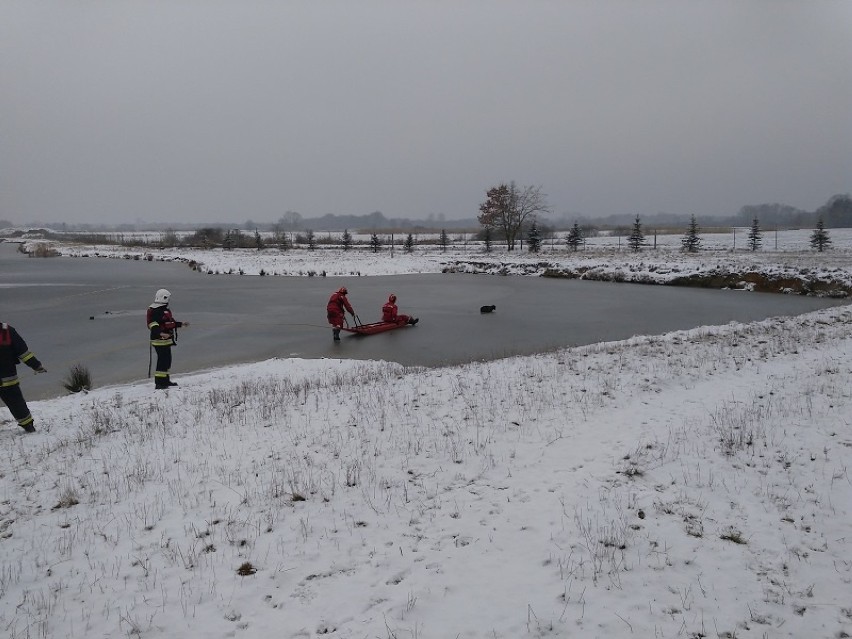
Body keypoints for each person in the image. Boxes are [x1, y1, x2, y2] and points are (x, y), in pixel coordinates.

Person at [0, 322, 46, 433]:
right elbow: (23, 353)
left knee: (17, 403)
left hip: (7, 379)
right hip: (8, 379)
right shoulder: (6, 330)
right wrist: (36, 366)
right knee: (17, 404)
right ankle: (29, 427)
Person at [147, 288, 189, 389]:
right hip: (159, 340)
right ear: (164, 298)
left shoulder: (164, 310)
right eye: (168, 298)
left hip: (166, 340)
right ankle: (159, 383)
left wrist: (181, 324)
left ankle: (165, 380)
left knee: (167, 360)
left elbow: (169, 323)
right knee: (162, 361)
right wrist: (161, 333)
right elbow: (153, 325)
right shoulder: (156, 311)